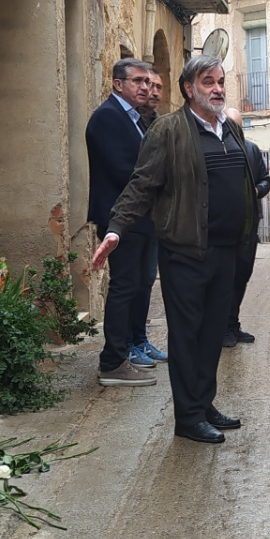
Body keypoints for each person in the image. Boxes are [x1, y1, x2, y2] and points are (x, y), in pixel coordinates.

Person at [92, 55, 255, 444]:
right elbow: (141, 184)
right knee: (187, 335)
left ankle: (204, 402)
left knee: (213, 332)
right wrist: (116, 230)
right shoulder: (168, 130)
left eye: (220, 81)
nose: (217, 88)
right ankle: (188, 418)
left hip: (226, 250)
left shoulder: (228, 128)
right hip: (186, 252)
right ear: (188, 88)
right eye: (207, 82)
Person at [86, 57, 160, 386]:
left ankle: (130, 348)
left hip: (141, 219)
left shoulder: (136, 119)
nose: (146, 87)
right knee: (123, 287)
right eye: (138, 81)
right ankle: (113, 362)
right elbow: (126, 172)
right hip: (121, 220)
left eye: (148, 82)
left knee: (139, 285)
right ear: (119, 84)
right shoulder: (107, 118)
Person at [222, 108, 270, 347]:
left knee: (241, 277)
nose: (234, 131)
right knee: (224, 279)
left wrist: (257, 190)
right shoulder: (216, 149)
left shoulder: (252, 150)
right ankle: (222, 328)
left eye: (238, 127)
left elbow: (266, 179)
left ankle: (233, 324)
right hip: (222, 228)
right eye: (230, 125)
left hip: (249, 226)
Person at [128, 69, 169, 365]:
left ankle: (141, 340)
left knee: (145, 283)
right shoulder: (127, 123)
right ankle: (129, 343)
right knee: (130, 284)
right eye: (147, 85)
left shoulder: (160, 124)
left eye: (158, 87)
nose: (153, 91)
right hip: (132, 217)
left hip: (154, 218)